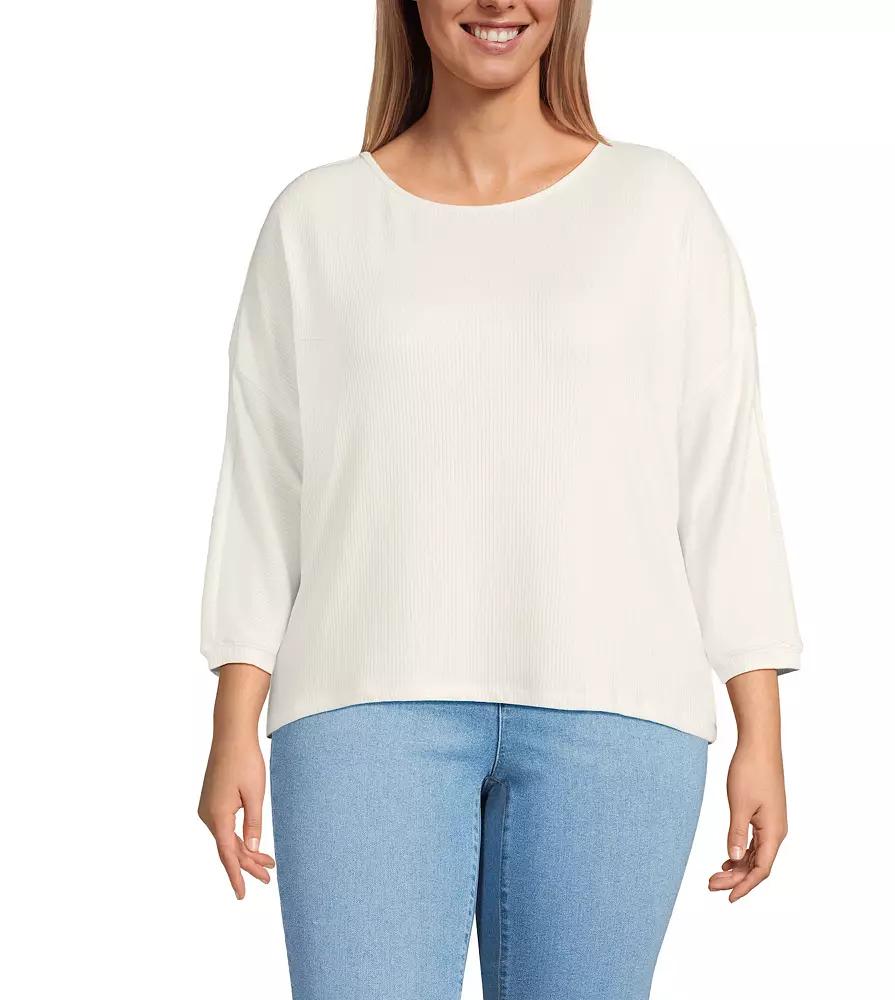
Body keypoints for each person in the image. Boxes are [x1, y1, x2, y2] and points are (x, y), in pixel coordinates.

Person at [197, 2, 804, 998]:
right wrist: (233, 722)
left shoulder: (659, 208)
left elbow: (722, 470)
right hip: (361, 707)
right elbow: (266, 481)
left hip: (616, 711)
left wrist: (761, 730)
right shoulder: (316, 220)